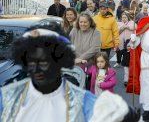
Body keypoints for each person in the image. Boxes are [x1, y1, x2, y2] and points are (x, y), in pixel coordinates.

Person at [0, 28, 140, 122]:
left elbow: (115, 113)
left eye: (43, 63)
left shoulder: (82, 100)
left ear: (59, 62)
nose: (36, 69)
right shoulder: (7, 97)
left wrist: (125, 113)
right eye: (31, 63)